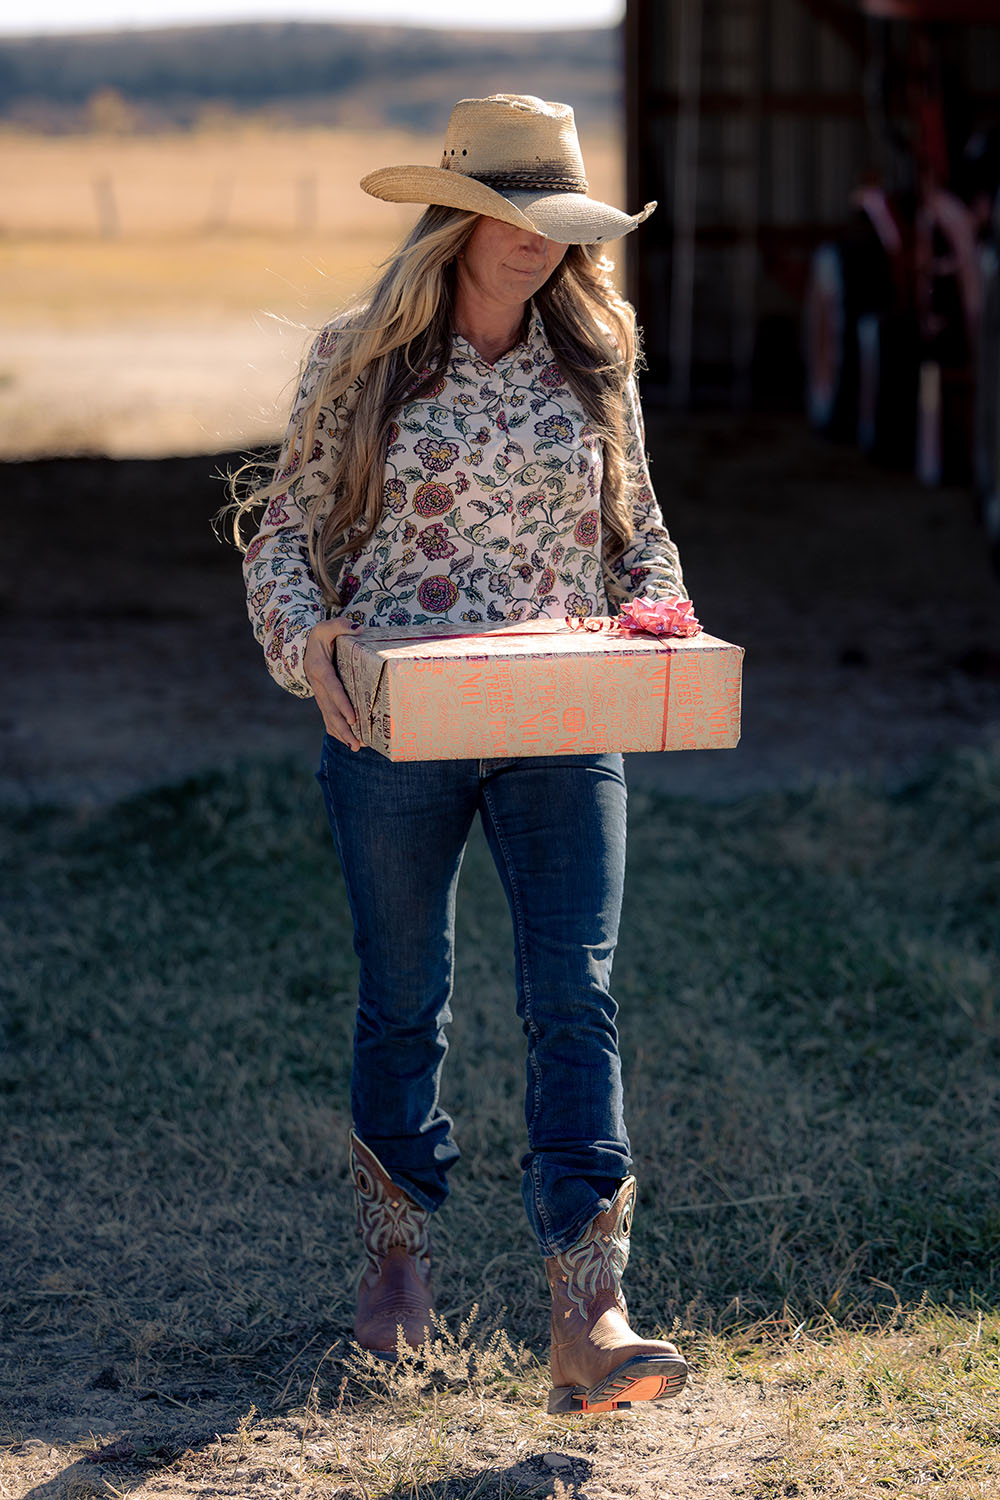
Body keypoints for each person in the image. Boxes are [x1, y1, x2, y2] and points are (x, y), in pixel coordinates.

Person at [233, 93, 689, 1415]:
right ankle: (397, 1277)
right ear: (460, 222)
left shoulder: (596, 361)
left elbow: (640, 533)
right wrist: (311, 648)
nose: (542, 245)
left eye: (562, 224)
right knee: (402, 997)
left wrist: (666, 616)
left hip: (560, 723)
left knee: (575, 997)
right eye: (516, 220)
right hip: (395, 729)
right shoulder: (358, 361)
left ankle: (589, 1311)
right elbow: (283, 540)